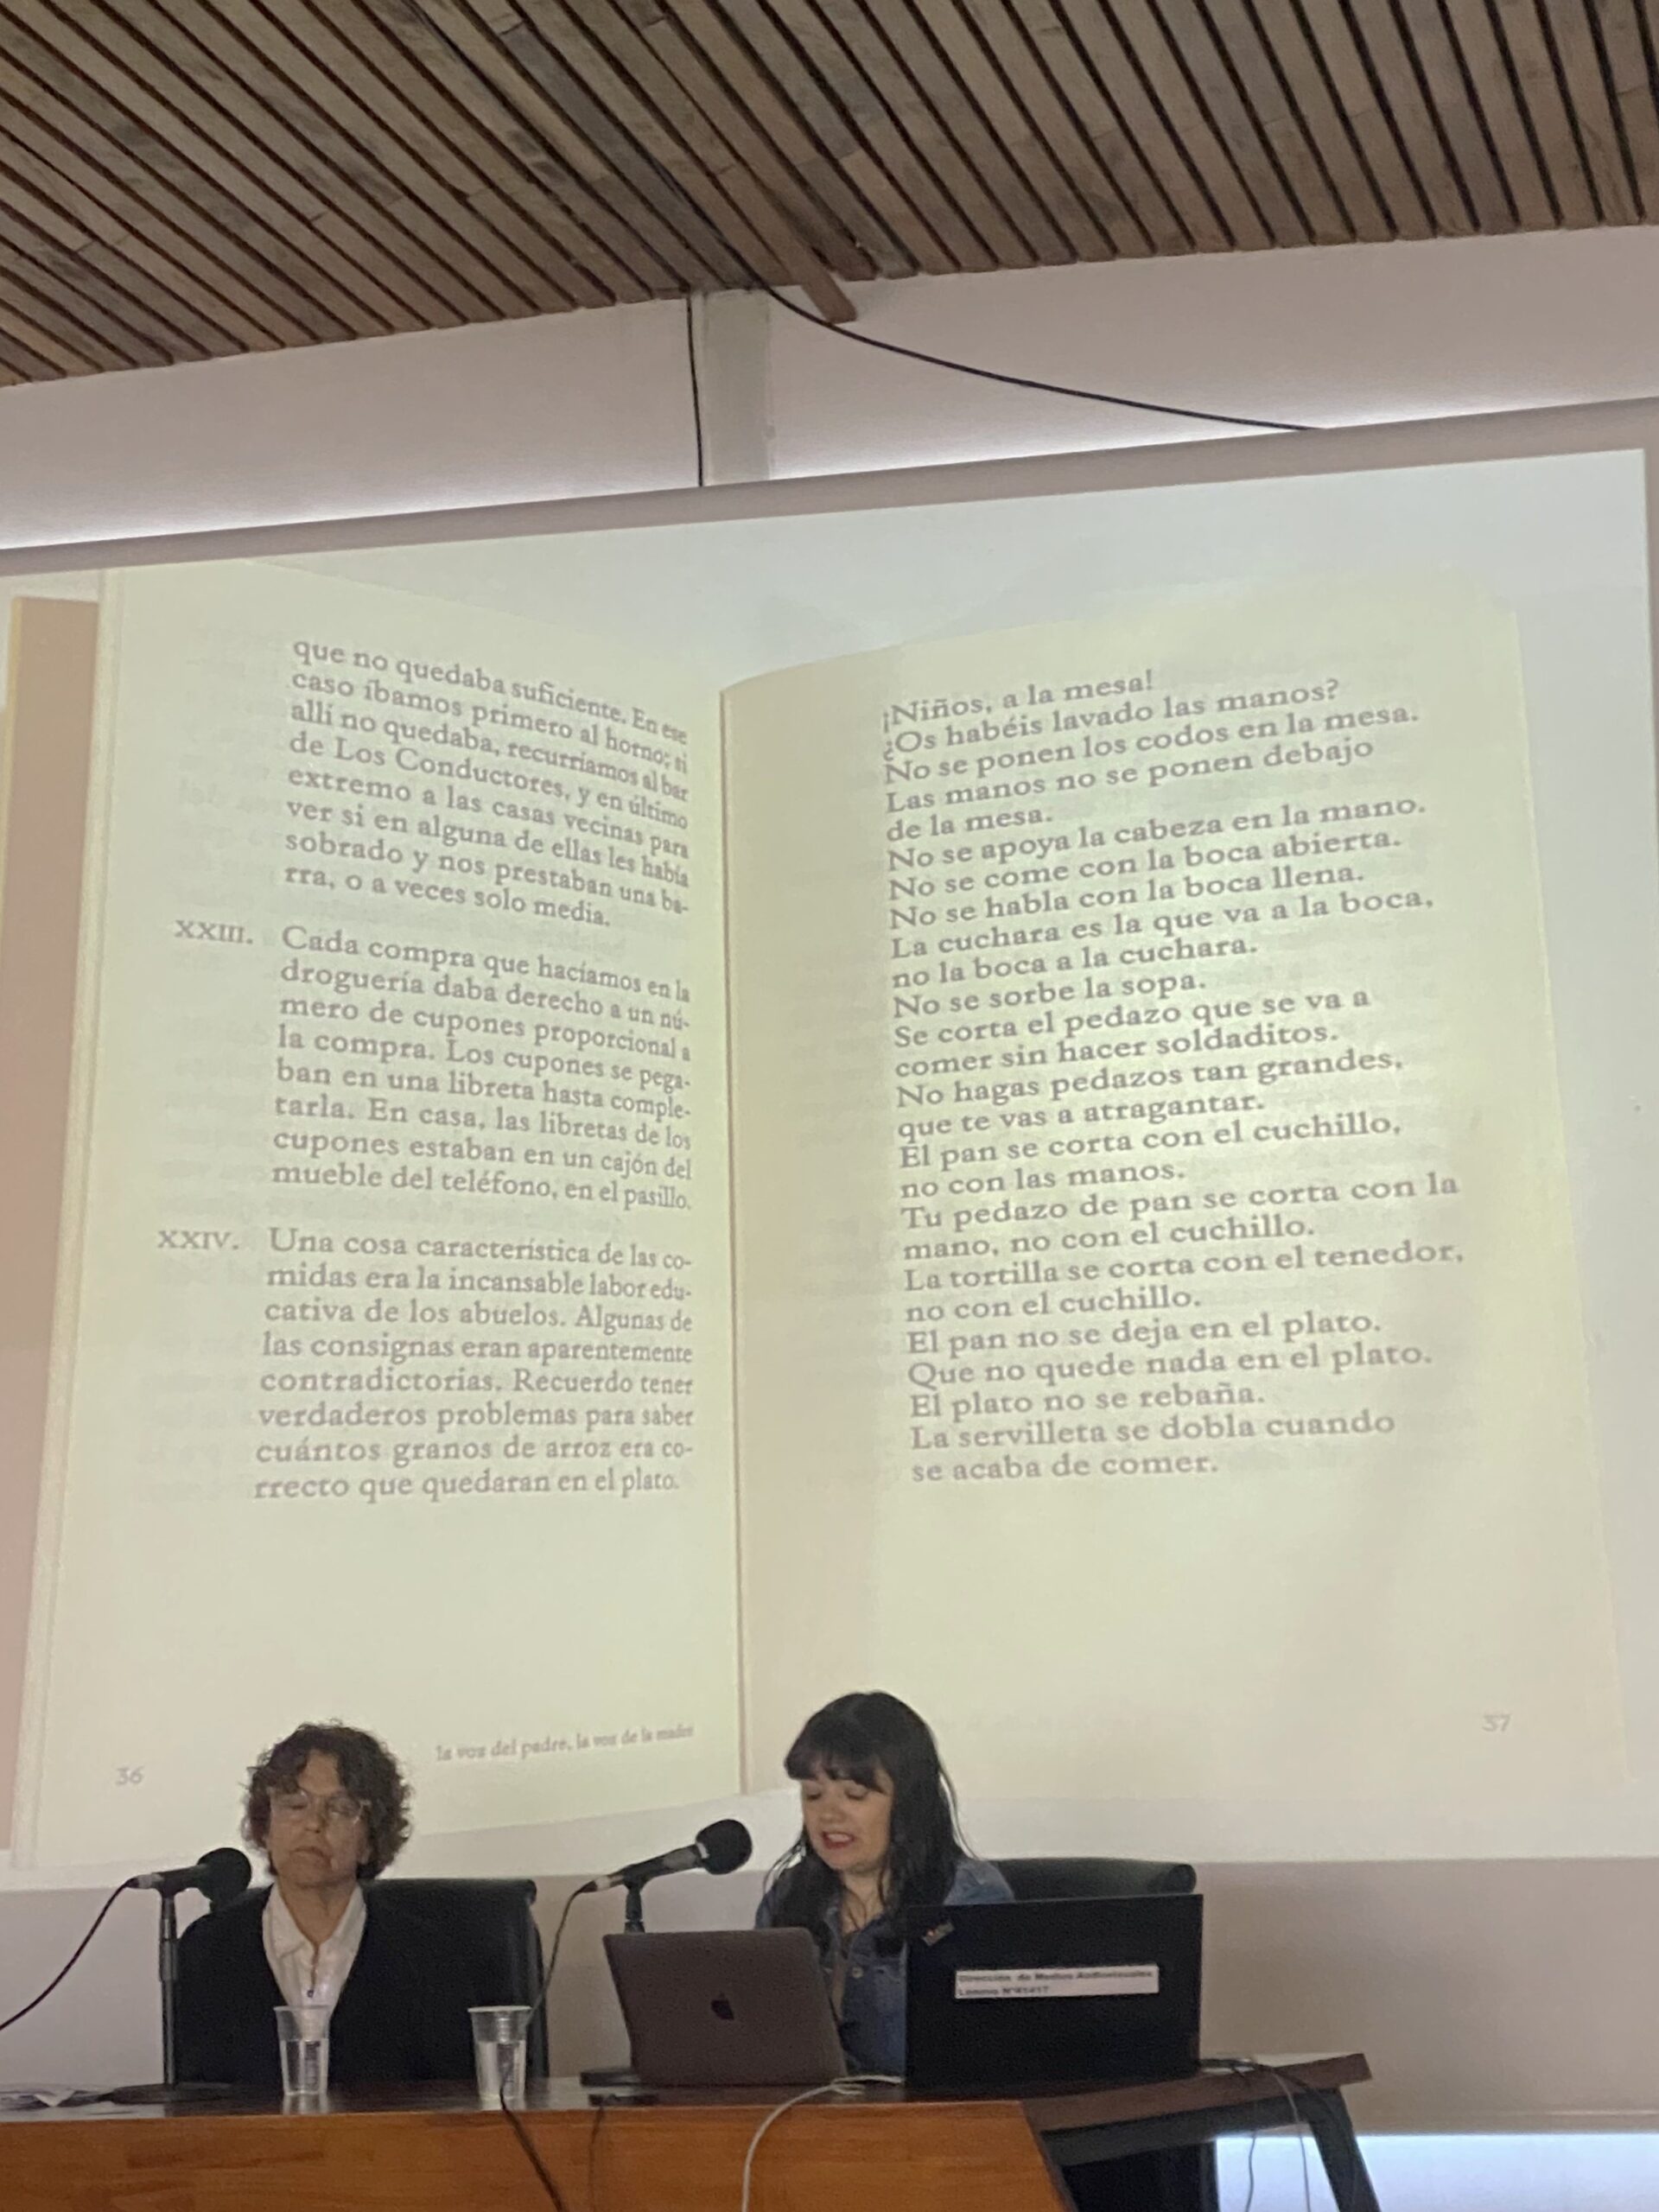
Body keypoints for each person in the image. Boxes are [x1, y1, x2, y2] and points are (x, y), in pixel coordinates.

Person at [177, 1720, 488, 2088]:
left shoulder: (427, 1956)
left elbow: (458, 2102)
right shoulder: (208, 1948)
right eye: (295, 1804)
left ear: (370, 1841)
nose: (314, 1823)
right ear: (265, 1828)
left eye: (340, 1808)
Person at [755, 1689, 1011, 2076]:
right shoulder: (789, 1896)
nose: (828, 1815)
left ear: (909, 1803)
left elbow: (985, 2059)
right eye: (813, 1794)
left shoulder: (968, 1899)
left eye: (854, 1795)